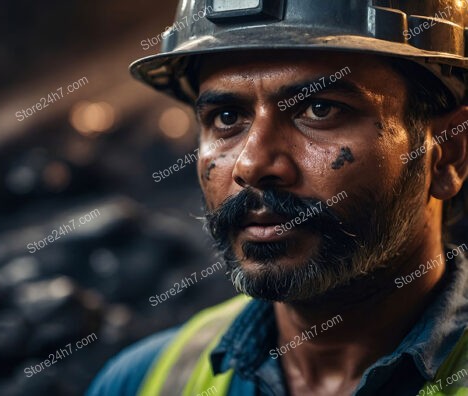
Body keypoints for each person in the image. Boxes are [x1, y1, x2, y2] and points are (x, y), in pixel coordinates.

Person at [87, 1, 468, 395]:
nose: (251, 164)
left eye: (320, 109)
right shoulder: (142, 382)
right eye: (227, 117)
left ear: (448, 154)